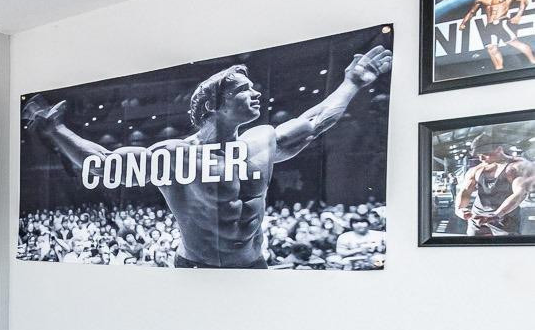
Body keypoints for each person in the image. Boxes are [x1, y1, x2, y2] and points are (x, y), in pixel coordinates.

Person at [23, 45, 393, 267]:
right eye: (245, 90)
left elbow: (312, 122)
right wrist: (56, 129)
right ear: (217, 103)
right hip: (195, 267)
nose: (256, 95)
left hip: (253, 264)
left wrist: (351, 84)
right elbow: (103, 165)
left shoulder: (261, 141)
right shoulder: (174, 155)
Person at [455, 138, 535, 237]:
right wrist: (459, 209)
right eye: (479, 155)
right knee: (474, 249)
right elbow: (466, 191)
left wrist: (496, 215)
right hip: (477, 218)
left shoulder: (516, 167)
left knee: (507, 250)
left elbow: (519, 194)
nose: (481, 159)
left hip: (505, 219)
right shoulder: (477, 170)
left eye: (484, 154)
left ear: (498, 149)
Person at [458, 0, 535, 71]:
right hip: (489, 26)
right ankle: (499, 69)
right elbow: (472, 12)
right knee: (491, 48)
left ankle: (533, 62)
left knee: (515, 43)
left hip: (501, 22)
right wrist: (463, 23)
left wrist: (518, 16)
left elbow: (524, 1)